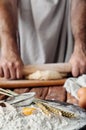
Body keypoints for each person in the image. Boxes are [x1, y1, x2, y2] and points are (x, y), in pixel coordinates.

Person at [0, 0, 86, 80]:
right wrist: (8, 48)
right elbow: (6, 2)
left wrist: (80, 47)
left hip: (72, 62)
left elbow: (79, 1)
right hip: (20, 61)